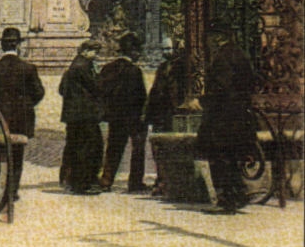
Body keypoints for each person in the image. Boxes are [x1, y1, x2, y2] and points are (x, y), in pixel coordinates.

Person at [197, 27, 258, 213]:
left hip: (223, 116)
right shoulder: (240, 54)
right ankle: (239, 195)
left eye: (209, 38)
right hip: (239, 114)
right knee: (233, 156)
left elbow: (220, 89)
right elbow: (251, 83)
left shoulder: (223, 57)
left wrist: (202, 101)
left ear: (216, 37)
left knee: (220, 156)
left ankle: (227, 199)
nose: (207, 42)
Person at [0, 27, 44, 201]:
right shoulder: (28, 68)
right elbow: (39, 92)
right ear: (18, 45)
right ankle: (12, 191)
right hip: (21, 117)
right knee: (17, 155)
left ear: (2, 45)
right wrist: (26, 104)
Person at [98, 33, 148, 193]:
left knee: (113, 148)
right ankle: (135, 183)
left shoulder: (107, 68)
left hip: (115, 117)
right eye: (138, 51)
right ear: (132, 51)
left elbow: (100, 91)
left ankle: (106, 180)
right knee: (138, 149)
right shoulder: (134, 71)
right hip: (133, 117)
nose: (139, 54)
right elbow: (140, 96)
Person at [59, 40, 104, 194]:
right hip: (85, 115)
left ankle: (70, 181)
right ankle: (83, 183)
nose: (96, 55)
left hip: (73, 115)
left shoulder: (72, 67)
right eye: (94, 52)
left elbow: (61, 89)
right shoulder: (83, 66)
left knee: (74, 147)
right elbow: (96, 87)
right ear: (85, 51)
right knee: (88, 148)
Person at [145, 38, 187, 196]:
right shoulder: (162, 67)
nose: (166, 52)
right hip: (160, 114)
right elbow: (155, 90)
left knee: (174, 148)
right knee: (159, 149)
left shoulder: (182, 67)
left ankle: (172, 182)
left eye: (168, 49)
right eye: (164, 49)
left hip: (174, 113)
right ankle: (161, 180)